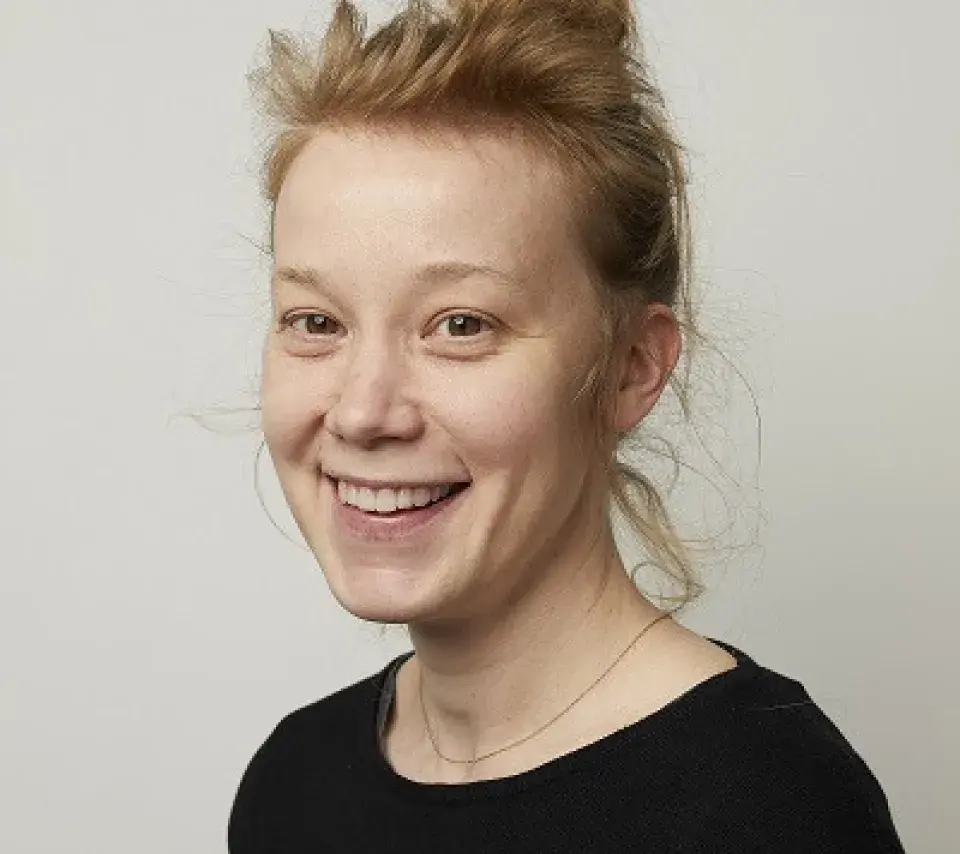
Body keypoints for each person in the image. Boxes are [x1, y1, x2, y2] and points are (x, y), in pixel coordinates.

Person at [228, 0, 906, 851]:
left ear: (632, 367)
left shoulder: (770, 809)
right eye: (316, 322)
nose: (364, 412)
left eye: (461, 325)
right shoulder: (294, 782)